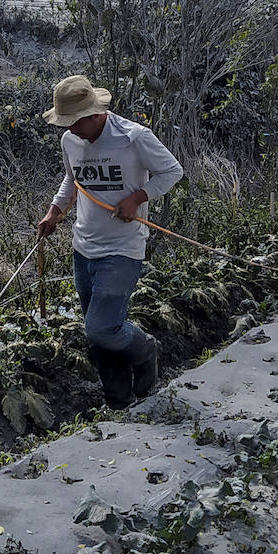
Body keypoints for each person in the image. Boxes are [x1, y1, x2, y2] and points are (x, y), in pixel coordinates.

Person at [37, 75, 183, 408]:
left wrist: (138, 198)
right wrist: (54, 212)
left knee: (102, 328)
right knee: (97, 335)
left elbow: (172, 171)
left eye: (75, 122)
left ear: (94, 112)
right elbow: (72, 180)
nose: (71, 129)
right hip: (83, 247)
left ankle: (146, 349)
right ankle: (119, 399)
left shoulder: (133, 137)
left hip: (123, 248)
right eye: (66, 123)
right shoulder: (70, 142)